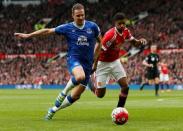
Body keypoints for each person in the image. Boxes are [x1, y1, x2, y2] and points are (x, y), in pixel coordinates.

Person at [14, 3, 102, 120]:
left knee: (75, 96)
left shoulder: (93, 27)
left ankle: (53, 110)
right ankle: (64, 92)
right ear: (73, 15)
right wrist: (29, 35)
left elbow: (100, 42)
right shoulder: (67, 28)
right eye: (78, 16)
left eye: (82, 15)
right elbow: (48, 31)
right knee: (80, 77)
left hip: (87, 64)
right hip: (74, 59)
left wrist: (95, 62)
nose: (81, 18)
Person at [87, 12, 147, 108]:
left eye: (123, 23)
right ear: (115, 23)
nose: (122, 25)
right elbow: (98, 51)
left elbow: (134, 43)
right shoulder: (110, 36)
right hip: (102, 64)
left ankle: (120, 109)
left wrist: (140, 42)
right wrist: (94, 65)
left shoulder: (126, 31)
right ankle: (89, 82)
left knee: (125, 87)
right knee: (100, 95)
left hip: (115, 62)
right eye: (119, 23)